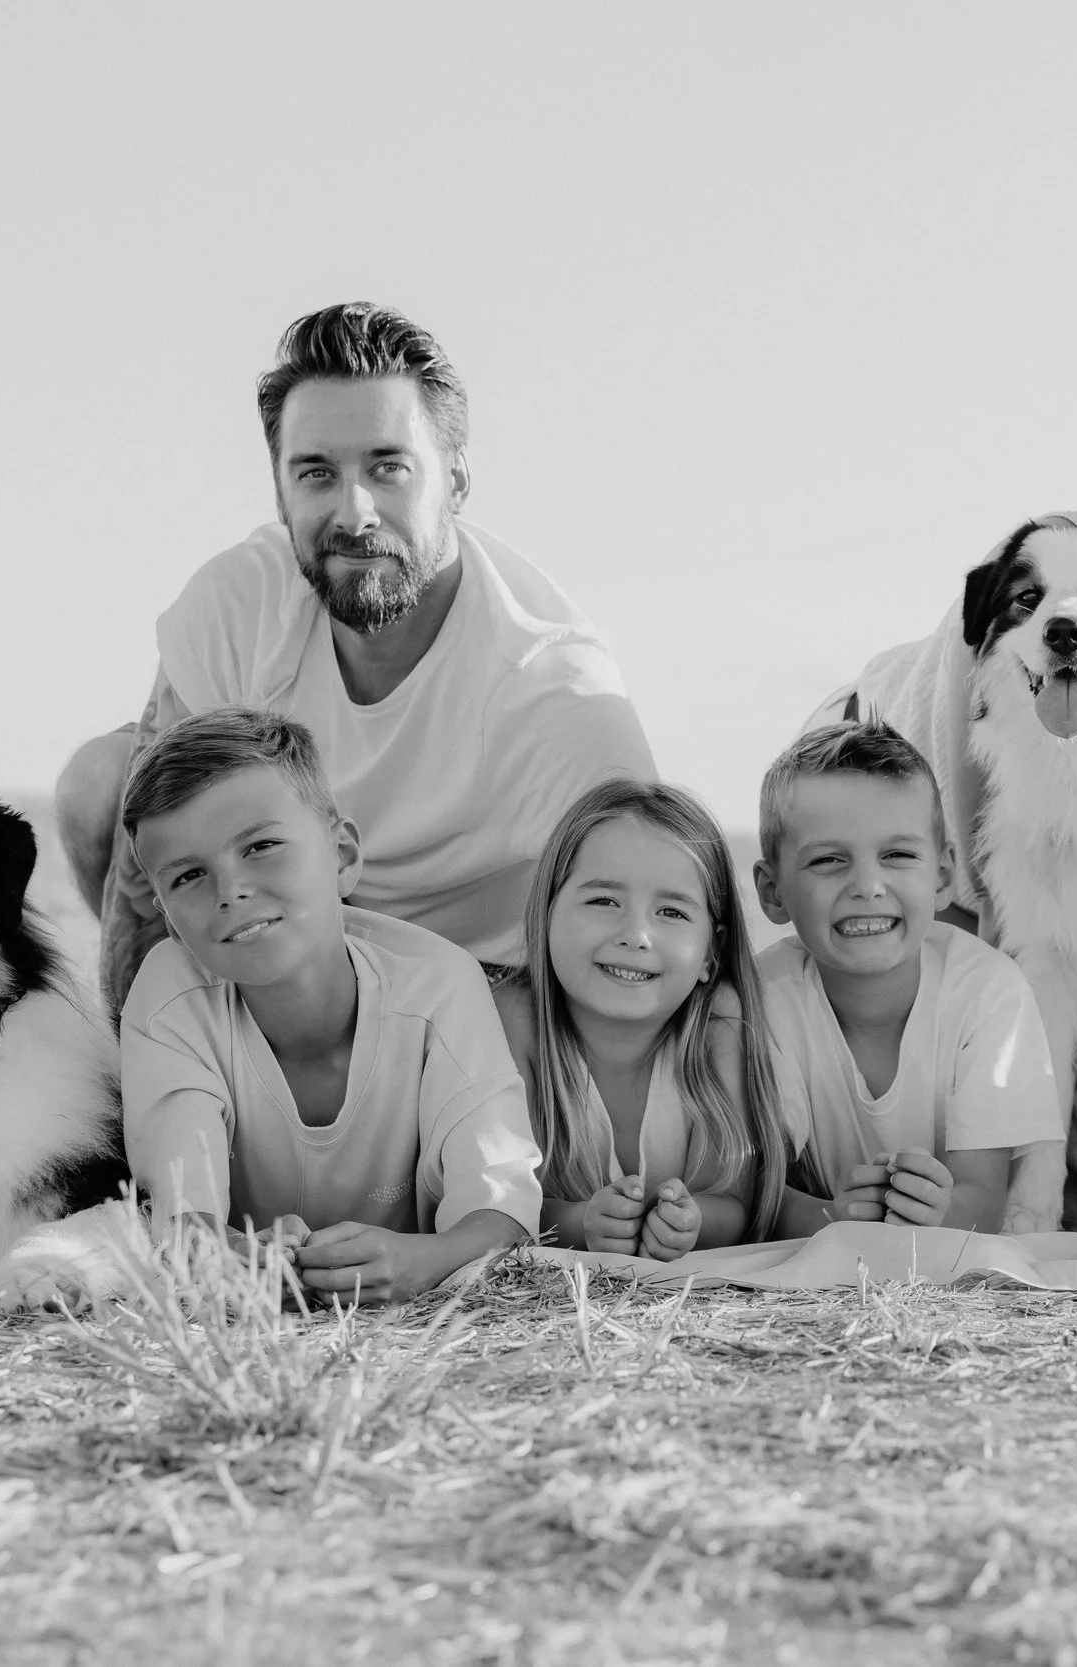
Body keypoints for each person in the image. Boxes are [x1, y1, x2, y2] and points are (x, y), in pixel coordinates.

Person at [57, 302, 656, 1013]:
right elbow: (142, 883)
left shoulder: (550, 685)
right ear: (280, 491)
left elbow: (649, 934)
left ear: (457, 481)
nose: (354, 512)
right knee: (103, 785)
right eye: (316, 473)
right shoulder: (239, 601)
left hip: (481, 987)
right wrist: (141, 1072)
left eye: (388, 467)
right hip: (301, 944)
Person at [116, 708, 543, 1304]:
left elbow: (502, 1206)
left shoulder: (440, 985)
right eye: (188, 877)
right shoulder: (173, 998)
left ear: (342, 856)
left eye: (261, 846)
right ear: (165, 913)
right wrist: (227, 1260)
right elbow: (183, 1220)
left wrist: (426, 1260)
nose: (230, 890)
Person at [752, 722, 1063, 1235]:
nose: (868, 886)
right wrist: (832, 1216)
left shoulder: (988, 992)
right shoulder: (765, 999)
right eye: (829, 860)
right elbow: (753, 1193)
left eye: (897, 855)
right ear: (772, 892)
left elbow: (982, 1203)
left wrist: (939, 1212)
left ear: (942, 876)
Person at [495, 779, 785, 1259]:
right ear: (545, 915)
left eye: (671, 911)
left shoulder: (719, 1024)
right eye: (603, 901)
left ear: (711, 951)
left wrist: (690, 1224)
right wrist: (576, 1222)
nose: (636, 935)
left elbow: (732, 1200)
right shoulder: (516, 1020)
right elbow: (498, 1199)